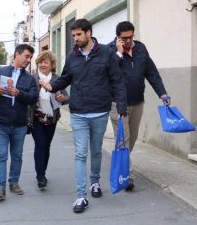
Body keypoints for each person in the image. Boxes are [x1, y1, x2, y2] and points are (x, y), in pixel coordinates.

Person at [48, 19, 127, 213]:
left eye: (78, 35)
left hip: (100, 111)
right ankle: (81, 195)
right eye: (73, 35)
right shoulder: (72, 56)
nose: (75, 38)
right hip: (79, 113)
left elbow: (117, 80)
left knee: (97, 151)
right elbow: (66, 77)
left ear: (89, 33)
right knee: (81, 153)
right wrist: (52, 86)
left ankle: (95, 182)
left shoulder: (106, 53)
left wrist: (122, 106)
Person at [108, 21, 170, 191]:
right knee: (124, 139)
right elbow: (108, 72)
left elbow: (151, 72)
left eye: (130, 37)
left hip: (137, 101)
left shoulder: (141, 49)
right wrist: (119, 54)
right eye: (124, 38)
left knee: (132, 138)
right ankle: (126, 176)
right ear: (118, 37)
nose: (128, 41)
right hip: (117, 104)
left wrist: (162, 93)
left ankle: (121, 164)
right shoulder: (110, 50)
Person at [0, 44, 39, 200]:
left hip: (19, 123)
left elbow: (33, 98)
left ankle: (14, 182)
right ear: (16, 55)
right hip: (1, 122)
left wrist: (19, 93)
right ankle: (0, 187)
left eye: (30, 58)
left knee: (17, 156)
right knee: (0, 156)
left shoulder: (30, 79)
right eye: (26, 56)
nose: (28, 60)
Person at [29, 51, 69, 189]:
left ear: (52, 64)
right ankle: (40, 176)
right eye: (40, 62)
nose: (42, 64)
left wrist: (63, 99)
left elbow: (66, 96)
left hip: (52, 118)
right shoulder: (32, 78)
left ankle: (43, 172)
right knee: (40, 144)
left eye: (46, 62)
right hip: (35, 117)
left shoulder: (58, 79)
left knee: (46, 145)